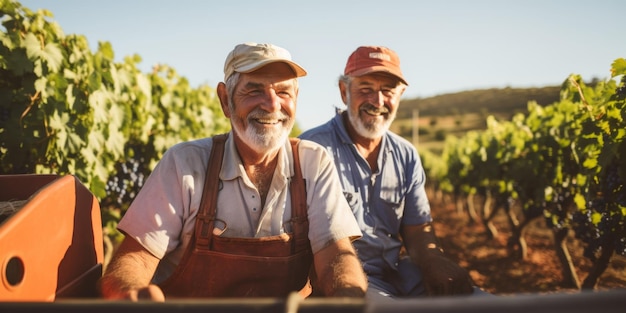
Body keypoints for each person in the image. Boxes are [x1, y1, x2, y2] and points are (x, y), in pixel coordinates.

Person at [99, 42, 367, 301]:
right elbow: (134, 259)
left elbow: (336, 255)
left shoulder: (313, 163)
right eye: (254, 90)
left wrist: (348, 295)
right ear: (225, 100)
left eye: (284, 92)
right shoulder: (184, 164)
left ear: (295, 99)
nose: (272, 105)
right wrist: (130, 291)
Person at [300, 46, 485, 300]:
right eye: (366, 88)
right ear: (344, 92)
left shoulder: (406, 155)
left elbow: (417, 229)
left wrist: (433, 259)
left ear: (400, 95)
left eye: (388, 90)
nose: (378, 101)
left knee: (481, 303)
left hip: (399, 273)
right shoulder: (312, 150)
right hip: (344, 282)